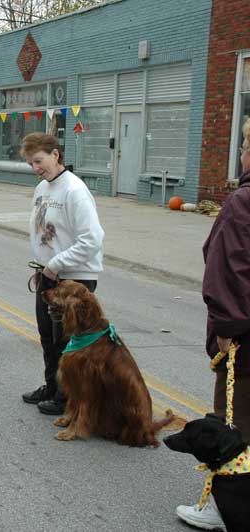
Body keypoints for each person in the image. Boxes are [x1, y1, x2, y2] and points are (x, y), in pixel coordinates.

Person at [174, 117, 250, 531]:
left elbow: (228, 269)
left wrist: (226, 326)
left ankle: (225, 506)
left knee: (235, 425)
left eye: (242, 146)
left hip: (245, 339)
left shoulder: (243, 202)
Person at [19, 132, 104, 417]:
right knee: (47, 335)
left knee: (66, 340)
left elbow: (92, 239)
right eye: (31, 163)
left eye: (39, 161)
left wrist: (57, 263)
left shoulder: (75, 191)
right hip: (49, 274)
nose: (35, 168)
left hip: (73, 277)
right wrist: (46, 265)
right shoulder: (43, 188)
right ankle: (52, 386)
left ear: (56, 155)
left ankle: (67, 396)